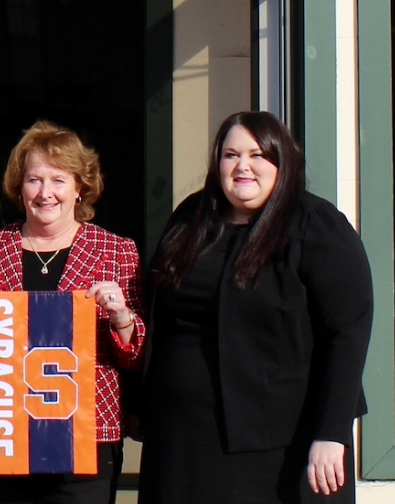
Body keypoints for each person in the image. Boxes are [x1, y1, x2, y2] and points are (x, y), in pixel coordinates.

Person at [139, 111, 372, 504]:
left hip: (279, 444)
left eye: (257, 154)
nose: (242, 166)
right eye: (230, 155)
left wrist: (331, 433)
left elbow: (347, 333)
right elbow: (160, 319)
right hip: (183, 441)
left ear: (283, 162)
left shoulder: (315, 225)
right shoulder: (191, 218)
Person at [0, 121, 144, 504]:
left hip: (87, 438)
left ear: (80, 187)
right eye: (34, 180)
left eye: (59, 180)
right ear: (19, 186)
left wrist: (123, 319)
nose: (46, 193)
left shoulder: (118, 252)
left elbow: (136, 357)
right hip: (4, 432)